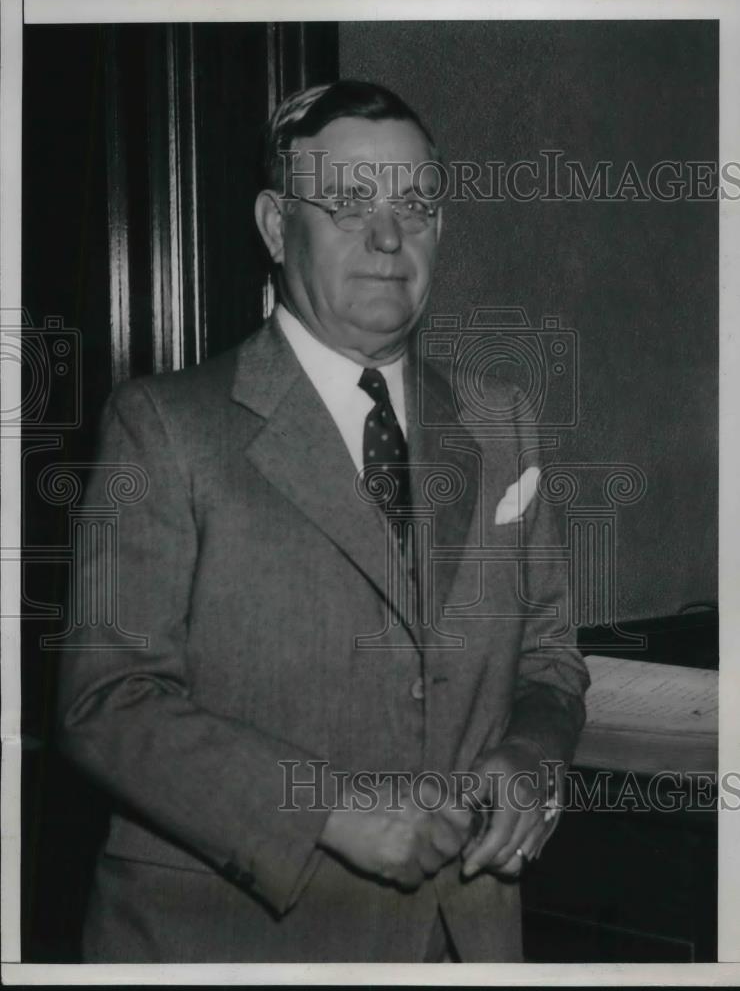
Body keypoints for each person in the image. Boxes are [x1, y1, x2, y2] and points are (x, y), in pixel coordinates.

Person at [57, 80, 589, 963]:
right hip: (235, 942)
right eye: (349, 202)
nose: (389, 236)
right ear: (274, 226)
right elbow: (105, 703)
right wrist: (328, 809)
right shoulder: (164, 427)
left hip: (466, 942)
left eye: (417, 204)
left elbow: (547, 657)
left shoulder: (502, 422)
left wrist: (532, 759)